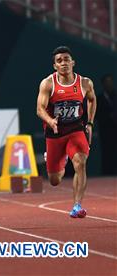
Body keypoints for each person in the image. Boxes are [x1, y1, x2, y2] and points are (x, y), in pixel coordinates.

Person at [36, 46, 97, 218]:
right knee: (55, 180)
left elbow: (92, 100)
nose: (64, 63)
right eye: (59, 61)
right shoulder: (48, 83)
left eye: (66, 59)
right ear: (55, 66)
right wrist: (50, 120)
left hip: (76, 129)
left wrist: (90, 123)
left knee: (80, 163)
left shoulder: (85, 83)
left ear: (73, 62)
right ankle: (57, 159)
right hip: (55, 132)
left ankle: (77, 205)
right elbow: (40, 109)